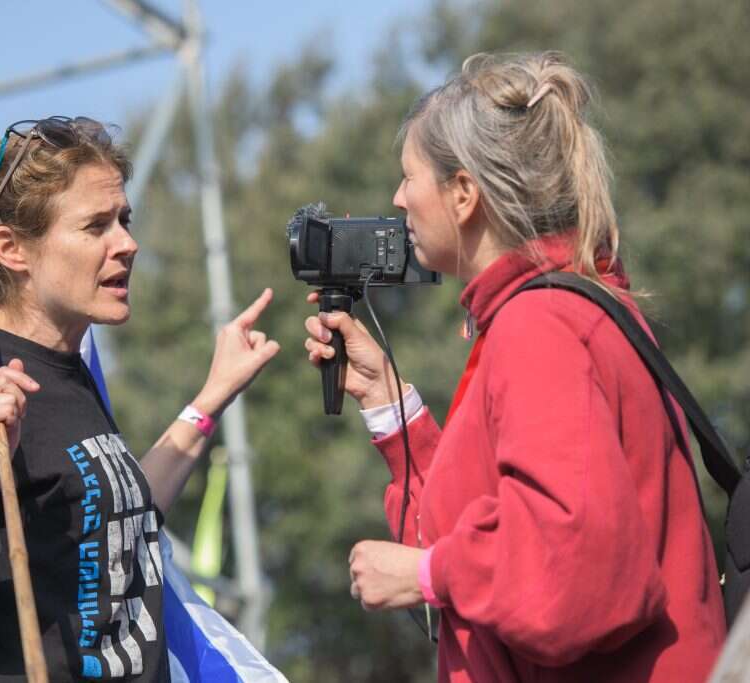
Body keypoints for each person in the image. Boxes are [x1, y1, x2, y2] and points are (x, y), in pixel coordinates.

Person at [303, 52, 726, 682]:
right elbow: (484, 533)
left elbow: (572, 570)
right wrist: (387, 402)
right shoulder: (567, 305)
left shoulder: (541, 326)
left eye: (409, 176)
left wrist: (423, 576)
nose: (397, 199)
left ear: (464, 194)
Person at [0, 116, 280, 682]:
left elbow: (124, 522)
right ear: (12, 248)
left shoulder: (72, 369)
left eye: (125, 219)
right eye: (96, 227)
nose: (127, 243)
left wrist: (211, 398)